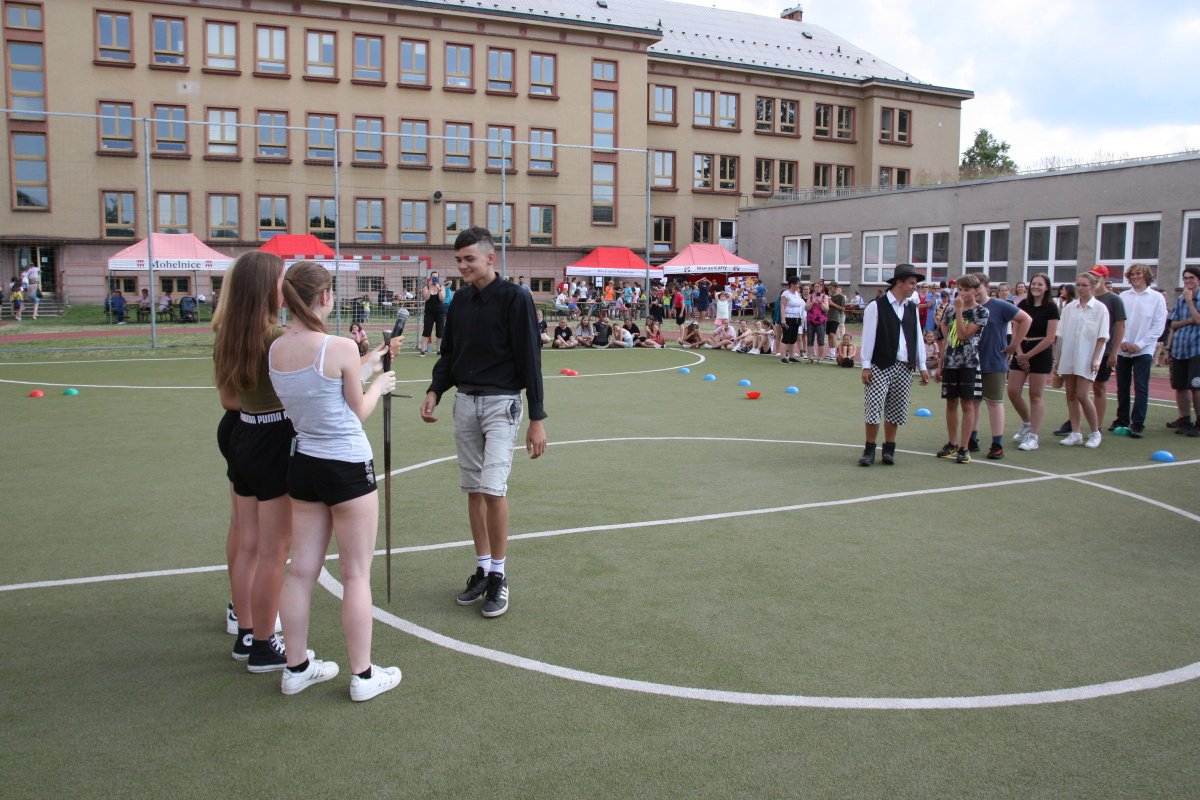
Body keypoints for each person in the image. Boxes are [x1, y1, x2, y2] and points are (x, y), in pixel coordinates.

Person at [268, 260, 402, 700]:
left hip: (305, 463)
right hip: (345, 465)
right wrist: (379, 384)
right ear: (324, 297)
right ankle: (363, 675)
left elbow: (326, 385)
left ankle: (296, 667)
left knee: (300, 571)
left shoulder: (276, 349)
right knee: (355, 574)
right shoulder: (338, 346)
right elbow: (356, 409)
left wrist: (372, 360)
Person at [420, 228, 547, 619]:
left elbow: (530, 358)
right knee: (473, 490)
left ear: (491, 258)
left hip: (502, 405)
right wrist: (435, 390)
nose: (462, 266)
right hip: (464, 403)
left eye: (469, 259)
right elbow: (449, 354)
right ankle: (482, 568)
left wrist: (537, 418)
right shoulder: (459, 301)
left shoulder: (515, 298)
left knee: (492, 490)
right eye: (458, 260)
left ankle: (498, 575)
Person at [213, 251, 298, 671]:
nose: (285, 291)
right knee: (274, 550)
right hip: (272, 440)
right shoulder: (278, 338)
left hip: (242, 434)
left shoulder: (229, 334)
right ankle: (265, 643)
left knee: (247, 541)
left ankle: (247, 632)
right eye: (281, 282)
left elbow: (229, 399)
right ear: (267, 289)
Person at [857, 264, 930, 466]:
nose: (914, 287)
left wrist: (922, 365)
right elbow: (868, 336)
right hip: (880, 364)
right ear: (899, 282)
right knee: (874, 407)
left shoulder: (912, 308)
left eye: (915, 284)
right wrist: (866, 365)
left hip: (904, 366)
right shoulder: (876, 306)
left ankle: (889, 448)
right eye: (912, 283)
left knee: (896, 409)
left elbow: (917, 336)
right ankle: (869, 449)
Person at [1053, 266, 1125, 438]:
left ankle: (1095, 431)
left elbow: (1102, 337)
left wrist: (1095, 359)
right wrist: (1057, 359)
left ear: (1093, 286)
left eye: (1084, 285)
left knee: (1082, 395)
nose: (1081, 288)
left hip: (1087, 357)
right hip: (1069, 355)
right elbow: (1061, 335)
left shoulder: (1100, 308)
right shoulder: (1070, 308)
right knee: (1070, 394)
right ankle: (1075, 432)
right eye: (1078, 285)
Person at [967, 274, 1031, 459]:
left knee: (994, 403)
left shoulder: (1000, 305)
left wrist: (1014, 345)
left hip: (994, 361)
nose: (974, 291)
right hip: (970, 362)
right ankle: (971, 438)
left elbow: (1026, 319)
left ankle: (997, 444)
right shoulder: (966, 307)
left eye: (978, 287)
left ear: (987, 287)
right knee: (972, 402)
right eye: (971, 288)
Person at [935, 273, 988, 464]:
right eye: (960, 289)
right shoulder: (950, 310)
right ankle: (952, 443)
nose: (962, 293)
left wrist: (958, 310)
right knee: (951, 403)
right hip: (951, 362)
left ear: (975, 291)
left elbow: (963, 334)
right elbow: (947, 338)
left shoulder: (981, 312)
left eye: (966, 290)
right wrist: (940, 364)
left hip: (968, 363)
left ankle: (965, 447)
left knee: (967, 404)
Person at [1112, 263, 1168, 437]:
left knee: (1141, 386)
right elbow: (1118, 322)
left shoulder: (1157, 298)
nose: (1135, 277)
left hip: (1144, 350)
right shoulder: (1123, 296)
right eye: (1132, 274)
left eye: (1139, 274)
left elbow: (1158, 325)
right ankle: (1122, 419)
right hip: (1123, 348)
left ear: (1146, 276)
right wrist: (1123, 342)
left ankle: (1137, 423)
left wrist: (1140, 344)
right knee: (1122, 386)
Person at [1007, 273, 1060, 451]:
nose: (1036, 287)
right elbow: (1015, 330)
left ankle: (1033, 437)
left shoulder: (1051, 307)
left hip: (1040, 352)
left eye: (1040, 284)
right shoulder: (1023, 304)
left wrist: (1028, 356)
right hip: (1021, 349)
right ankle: (1027, 423)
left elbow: (1050, 337)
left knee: (1035, 395)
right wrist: (1020, 353)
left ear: (1047, 287)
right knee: (1013, 391)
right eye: (1034, 283)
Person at [1163, 265, 1200, 436]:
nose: (1187, 281)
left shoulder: (1189, 299)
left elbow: (1198, 320)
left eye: (1191, 278)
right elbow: (1173, 324)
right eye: (1185, 278)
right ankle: (1184, 419)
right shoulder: (1180, 300)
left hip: (1196, 349)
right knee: (1179, 386)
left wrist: (1190, 302)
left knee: (1196, 387)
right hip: (1179, 349)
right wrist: (1168, 349)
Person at [779, 277, 805, 364]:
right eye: (797, 283)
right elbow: (782, 306)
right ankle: (783, 357)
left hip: (796, 318)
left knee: (793, 338)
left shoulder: (798, 294)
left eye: (799, 283)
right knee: (786, 337)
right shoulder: (786, 294)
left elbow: (800, 307)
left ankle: (791, 357)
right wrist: (783, 319)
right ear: (792, 284)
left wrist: (801, 318)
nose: (798, 285)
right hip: (788, 317)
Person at [419, 273, 446, 357]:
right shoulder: (426, 287)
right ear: (430, 278)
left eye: (436, 277)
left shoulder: (441, 287)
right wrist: (430, 288)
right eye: (433, 277)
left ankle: (439, 350)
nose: (435, 278)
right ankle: (423, 350)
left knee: (440, 331)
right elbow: (426, 298)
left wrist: (439, 289)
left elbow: (442, 298)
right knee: (426, 330)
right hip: (429, 313)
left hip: (440, 312)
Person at [805, 280, 830, 364]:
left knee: (820, 339)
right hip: (811, 320)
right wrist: (812, 302)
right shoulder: (810, 296)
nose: (817, 288)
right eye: (815, 286)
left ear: (821, 288)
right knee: (810, 339)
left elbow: (826, 309)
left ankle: (819, 358)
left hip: (821, 321)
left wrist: (820, 302)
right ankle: (810, 357)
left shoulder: (825, 297)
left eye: (818, 287)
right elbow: (806, 308)